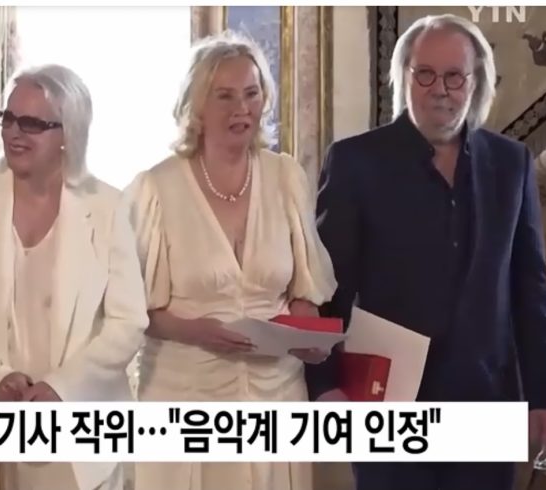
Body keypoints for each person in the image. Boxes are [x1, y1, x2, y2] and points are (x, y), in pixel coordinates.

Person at [308, 13, 546, 490]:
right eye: (424, 73)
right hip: (387, 407)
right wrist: (324, 386)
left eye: (454, 76)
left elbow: (531, 294)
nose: (439, 89)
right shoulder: (356, 162)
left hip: (488, 406)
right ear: (403, 77)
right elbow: (327, 289)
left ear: (476, 82)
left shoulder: (512, 164)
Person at [0, 63, 148, 490]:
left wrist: (63, 389)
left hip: (76, 431)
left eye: (32, 124)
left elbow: (128, 321)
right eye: (8, 118)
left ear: (68, 133)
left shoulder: (109, 207)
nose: (13, 133)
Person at [123, 31, 337, 490]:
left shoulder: (285, 177)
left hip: (277, 400)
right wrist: (195, 330)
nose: (242, 108)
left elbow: (304, 291)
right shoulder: (156, 188)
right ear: (197, 105)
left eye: (251, 93)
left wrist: (308, 337)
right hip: (186, 399)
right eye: (225, 96)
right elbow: (133, 311)